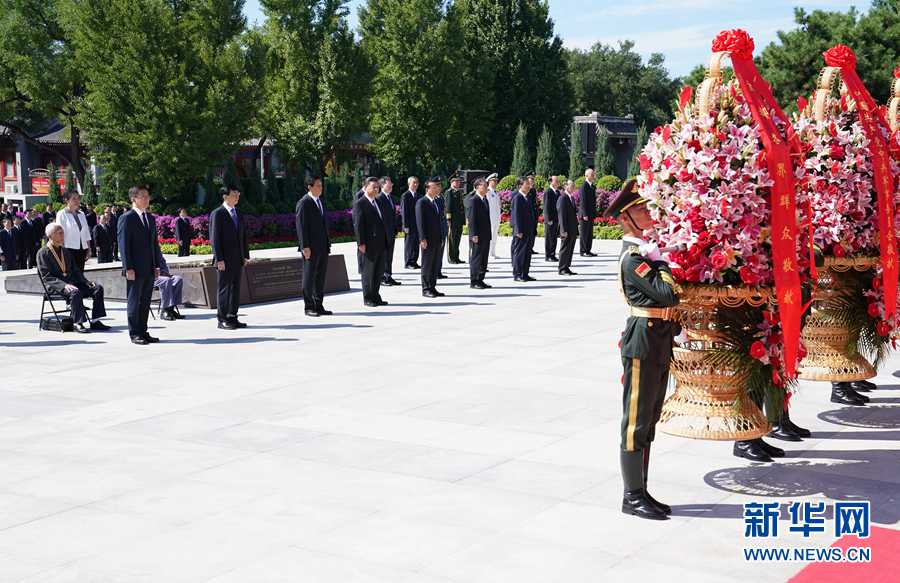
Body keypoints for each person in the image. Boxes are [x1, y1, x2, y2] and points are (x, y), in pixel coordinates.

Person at [604, 179, 679, 521]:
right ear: (625, 219)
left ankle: (642, 490)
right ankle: (631, 495)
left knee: (649, 418)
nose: (648, 213)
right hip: (642, 339)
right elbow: (668, 294)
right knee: (635, 419)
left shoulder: (645, 255)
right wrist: (662, 262)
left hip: (659, 337)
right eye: (640, 210)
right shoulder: (634, 259)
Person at [37, 222, 110, 333]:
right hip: (56, 286)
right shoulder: (43, 253)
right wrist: (64, 285)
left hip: (71, 283)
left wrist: (86, 282)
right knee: (75, 292)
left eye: (63, 233)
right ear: (51, 236)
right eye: (60, 233)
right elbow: (46, 277)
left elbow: (75, 270)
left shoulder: (65, 251)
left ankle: (95, 321)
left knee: (97, 288)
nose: (63, 235)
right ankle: (78, 322)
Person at [119, 185, 164, 345]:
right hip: (134, 268)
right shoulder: (127, 218)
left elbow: (154, 244)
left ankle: (143, 331)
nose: (146, 199)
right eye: (142, 196)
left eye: (147, 196)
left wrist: (157, 265)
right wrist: (128, 267)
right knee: (134, 301)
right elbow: (124, 245)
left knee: (145, 300)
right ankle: (135, 333)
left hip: (149, 267)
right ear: (134, 198)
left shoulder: (150, 218)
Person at [210, 186, 250, 329]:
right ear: (225, 197)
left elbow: (243, 236)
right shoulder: (218, 214)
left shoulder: (238, 213)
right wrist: (219, 259)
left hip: (237, 258)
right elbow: (215, 238)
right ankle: (222, 319)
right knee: (224, 289)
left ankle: (232, 316)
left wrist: (245, 255)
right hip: (224, 260)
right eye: (234, 194)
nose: (237, 197)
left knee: (235, 289)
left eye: (238, 194)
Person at [295, 175, 333, 317]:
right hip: (310, 247)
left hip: (322, 246)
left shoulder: (320, 202)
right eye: (317, 185)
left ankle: (319, 304)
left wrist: (327, 244)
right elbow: (301, 227)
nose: (320, 188)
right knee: (309, 277)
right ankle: (309, 306)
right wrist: (305, 246)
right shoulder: (304, 203)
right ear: (309, 187)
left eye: (321, 185)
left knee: (320, 277)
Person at [353, 177, 389, 307]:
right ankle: (368, 297)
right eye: (373, 187)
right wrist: (360, 242)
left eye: (377, 187)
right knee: (368, 272)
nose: (376, 189)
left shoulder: (378, 202)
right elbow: (358, 224)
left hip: (380, 243)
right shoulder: (360, 203)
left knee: (378, 271)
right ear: (366, 187)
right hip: (368, 244)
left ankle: (376, 295)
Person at [416, 176, 445, 298]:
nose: (438, 188)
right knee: (427, 264)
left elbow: (440, 220)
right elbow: (420, 222)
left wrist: (442, 236)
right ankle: (426, 288)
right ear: (428, 188)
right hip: (427, 239)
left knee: (435, 264)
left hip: (437, 238)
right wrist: (422, 238)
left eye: (439, 186)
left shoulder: (437, 201)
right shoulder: (422, 202)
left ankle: (432, 287)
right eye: (435, 186)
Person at [465, 178, 492, 289]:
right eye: (484, 186)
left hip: (485, 234)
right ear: (477, 187)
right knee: (476, 258)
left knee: (483, 258)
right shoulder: (473, 200)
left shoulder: (484, 199)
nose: (486, 188)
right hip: (477, 235)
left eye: (486, 186)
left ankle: (481, 279)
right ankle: (474, 280)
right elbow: (471, 219)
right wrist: (473, 235)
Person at [57, 191, 92, 272]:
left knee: (80, 276)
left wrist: (89, 249)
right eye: (74, 199)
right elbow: (59, 234)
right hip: (69, 250)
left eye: (78, 198)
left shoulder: (82, 214)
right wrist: (61, 252)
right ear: (67, 200)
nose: (77, 201)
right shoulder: (62, 214)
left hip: (82, 249)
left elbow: (86, 232)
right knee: (71, 277)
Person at [376, 177, 401, 286]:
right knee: (383, 256)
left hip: (391, 233)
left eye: (391, 184)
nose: (391, 186)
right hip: (382, 234)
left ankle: (388, 275)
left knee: (389, 256)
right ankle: (382, 277)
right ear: (382, 186)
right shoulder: (379, 198)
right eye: (389, 184)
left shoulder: (391, 198)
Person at [510, 178, 535, 282]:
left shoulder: (527, 197)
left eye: (529, 184)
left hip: (528, 230)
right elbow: (516, 216)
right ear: (520, 185)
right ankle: (518, 274)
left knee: (527, 253)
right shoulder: (517, 198)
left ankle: (525, 273)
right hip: (521, 231)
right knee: (519, 253)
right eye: (526, 184)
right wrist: (518, 230)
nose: (529, 186)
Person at [557, 179, 579, 276]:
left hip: (572, 228)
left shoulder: (571, 198)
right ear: (566, 186)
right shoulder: (562, 198)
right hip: (566, 229)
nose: (573, 187)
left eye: (574, 185)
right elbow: (561, 216)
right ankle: (562, 268)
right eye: (571, 185)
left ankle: (566, 266)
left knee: (570, 249)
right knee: (565, 248)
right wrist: (563, 230)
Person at [155, 255, 186, 321]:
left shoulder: (157, 250)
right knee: (166, 280)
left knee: (178, 279)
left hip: (164, 275)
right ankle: (164, 310)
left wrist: (165, 273)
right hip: (152, 277)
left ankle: (171, 309)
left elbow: (163, 263)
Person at [400, 176, 422, 269]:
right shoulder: (405, 195)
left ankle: (414, 261)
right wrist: (405, 225)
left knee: (416, 243)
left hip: (417, 224)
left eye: (417, 182)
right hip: (409, 224)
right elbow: (404, 211)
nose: (416, 184)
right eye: (414, 182)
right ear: (409, 184)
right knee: (409, 244)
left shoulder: (419, 196)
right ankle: (408, 262)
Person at [444, 175, 466, 264]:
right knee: (452, 239)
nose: (458, 183)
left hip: (459, 220)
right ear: (451, 183)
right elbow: (448, 207)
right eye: (456, 182)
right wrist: (449, 219)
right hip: (452, 220)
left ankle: (456, 257)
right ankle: (451, 258)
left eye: (459, 182)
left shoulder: (459, 192)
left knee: (457, 239)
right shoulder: (449, 192)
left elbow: (461, 207)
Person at [579, 168, 597, 257]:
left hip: (591, 214)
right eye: (592, 174)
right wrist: (584, 214)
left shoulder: (592, 186)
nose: (593, 175)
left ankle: (588, 250)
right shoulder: (584, 186)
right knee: (584, 233)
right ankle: (583, 250)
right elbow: (583, 201)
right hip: (585, 215)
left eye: (593, 174)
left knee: (589, 233)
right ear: (586, 176)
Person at [543, 176, 561, 262]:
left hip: (556, 219)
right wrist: (548, 219)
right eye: (556, 181)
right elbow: (546, 207)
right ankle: (548, 255)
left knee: (554, 237)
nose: (558, 182)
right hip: (550, 219)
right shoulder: (548, 192)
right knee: (549, 237)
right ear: (551, 182)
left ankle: (552, 254)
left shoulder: (557, 192)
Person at [486, 173, 501, 259]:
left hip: (496, 218)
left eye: (496, 181)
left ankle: (493, 252)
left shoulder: (496, 192)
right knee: (490, 236)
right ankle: (488, 253)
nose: (495, 183)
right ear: (489, 181)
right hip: (490, 218)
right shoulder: (487, 192)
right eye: (494, 181)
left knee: (494, 236)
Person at [434, 188, 448, 279]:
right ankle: (434, 272)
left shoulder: (441, 198)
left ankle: (438, 271)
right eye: (436, 186)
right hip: (436, 229)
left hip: (443, 227)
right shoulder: (432, 200)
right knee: (435, 252)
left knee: (440, 251)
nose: (438, 189)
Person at [525, 173, 539, 254]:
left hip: (534, 213)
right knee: (529, 231)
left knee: (533, 231)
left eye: (532, 182)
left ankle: (531, 247)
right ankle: (527, 247)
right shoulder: (525, 191)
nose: (531, 183)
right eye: (529, 182)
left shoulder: (533, 190)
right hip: (528, 214)